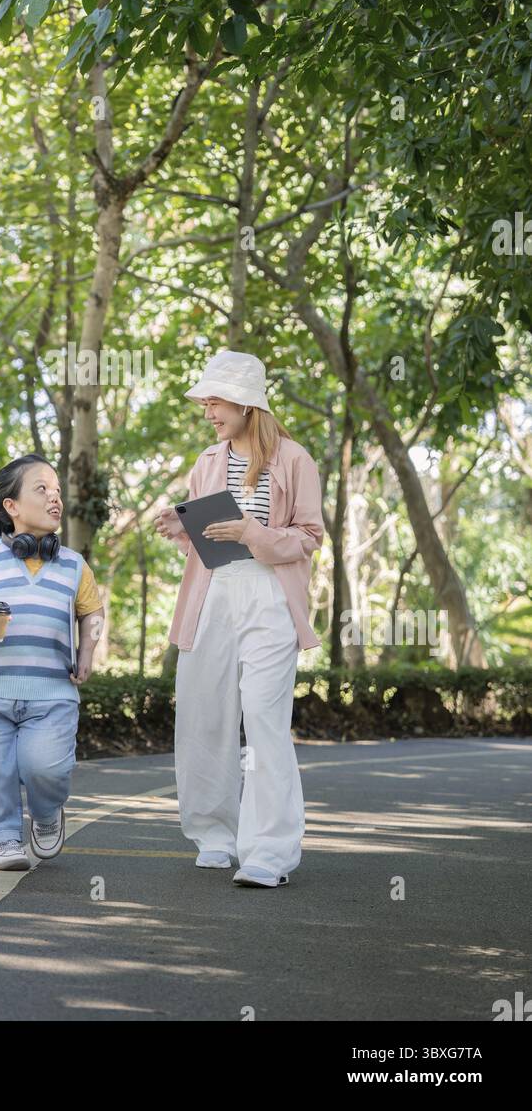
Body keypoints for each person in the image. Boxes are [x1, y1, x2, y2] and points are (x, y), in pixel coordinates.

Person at [153, 350, 324, 888]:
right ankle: (214, 834)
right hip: (212, 596)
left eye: (215, 399)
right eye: (204, 400)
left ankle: (269, 853)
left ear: (248, 403)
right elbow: (203, 541)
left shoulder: (295, 459)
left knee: (264, 720)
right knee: (204, 714)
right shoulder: (207, 460)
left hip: (270, 598)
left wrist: (254, 533)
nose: (207, 410)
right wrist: (179, 528)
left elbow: (310, 537)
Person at [0, 455, 104, 871]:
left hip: (52, 693)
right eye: (41, 489)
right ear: (10, 506)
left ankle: (48, 814)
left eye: (57, 491)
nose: (55, 498)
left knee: (46, 768)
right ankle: (1, 839)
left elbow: (93, 614)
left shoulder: (74, 565)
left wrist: (87, 653)